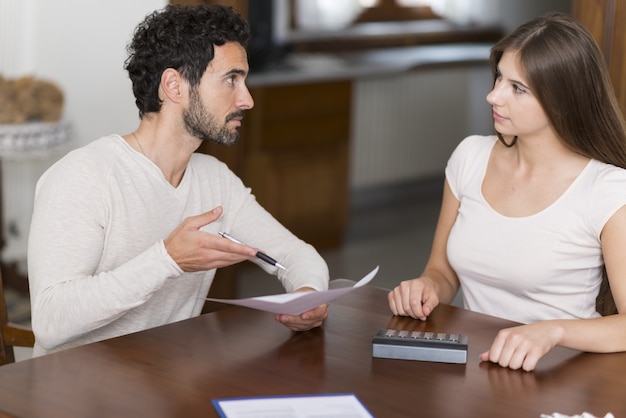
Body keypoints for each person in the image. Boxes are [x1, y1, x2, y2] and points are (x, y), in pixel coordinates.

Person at [27, 4, 330, 356]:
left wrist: (310, 295)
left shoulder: (215, 180)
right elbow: (50, 323)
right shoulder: (84, 176)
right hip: (74, 395)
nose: (246, 99)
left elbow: (298, 256)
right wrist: (167, 259)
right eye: (231, 79)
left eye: (244, 80)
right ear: (174, 85)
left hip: (169, 385)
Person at [388, 12, 626, 372]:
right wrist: (426, 287)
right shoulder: (470, 157)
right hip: (477, 369)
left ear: (562, 99)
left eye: (517, 88)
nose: (492, 96)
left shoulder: (606, 190)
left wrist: (552, 332)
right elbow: (443, 271)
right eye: (499, 76)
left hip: (561, 375)